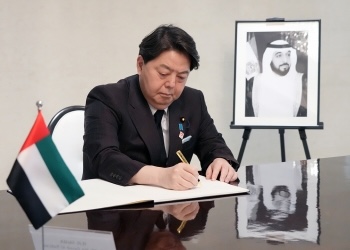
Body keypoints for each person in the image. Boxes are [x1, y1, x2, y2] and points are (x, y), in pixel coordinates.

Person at [83, 24, 239, 190]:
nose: (171, 84)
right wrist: (160, 176)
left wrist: (220, 160)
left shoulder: (193, 100)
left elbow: (212, 142)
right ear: (140, 64)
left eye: (181, 77)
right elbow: (103, 157)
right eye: (163, 74)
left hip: (175, 209)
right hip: (115, 207)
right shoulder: (107, 98)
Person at [249, 39, 307, 117]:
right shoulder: (256, 81)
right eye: (279, 55)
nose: (285, 60)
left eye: (288, 55)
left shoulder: (301, 80)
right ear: (270, 59)